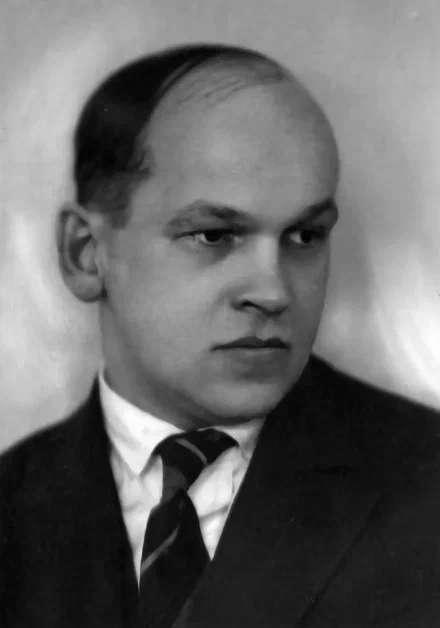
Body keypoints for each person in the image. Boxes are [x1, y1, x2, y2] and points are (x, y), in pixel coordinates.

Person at [1, 43, 440, 628]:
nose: (273, 291)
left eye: (305, 236)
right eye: (214, 235)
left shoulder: (426, 483)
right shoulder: (12, 505)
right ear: (86, 254)